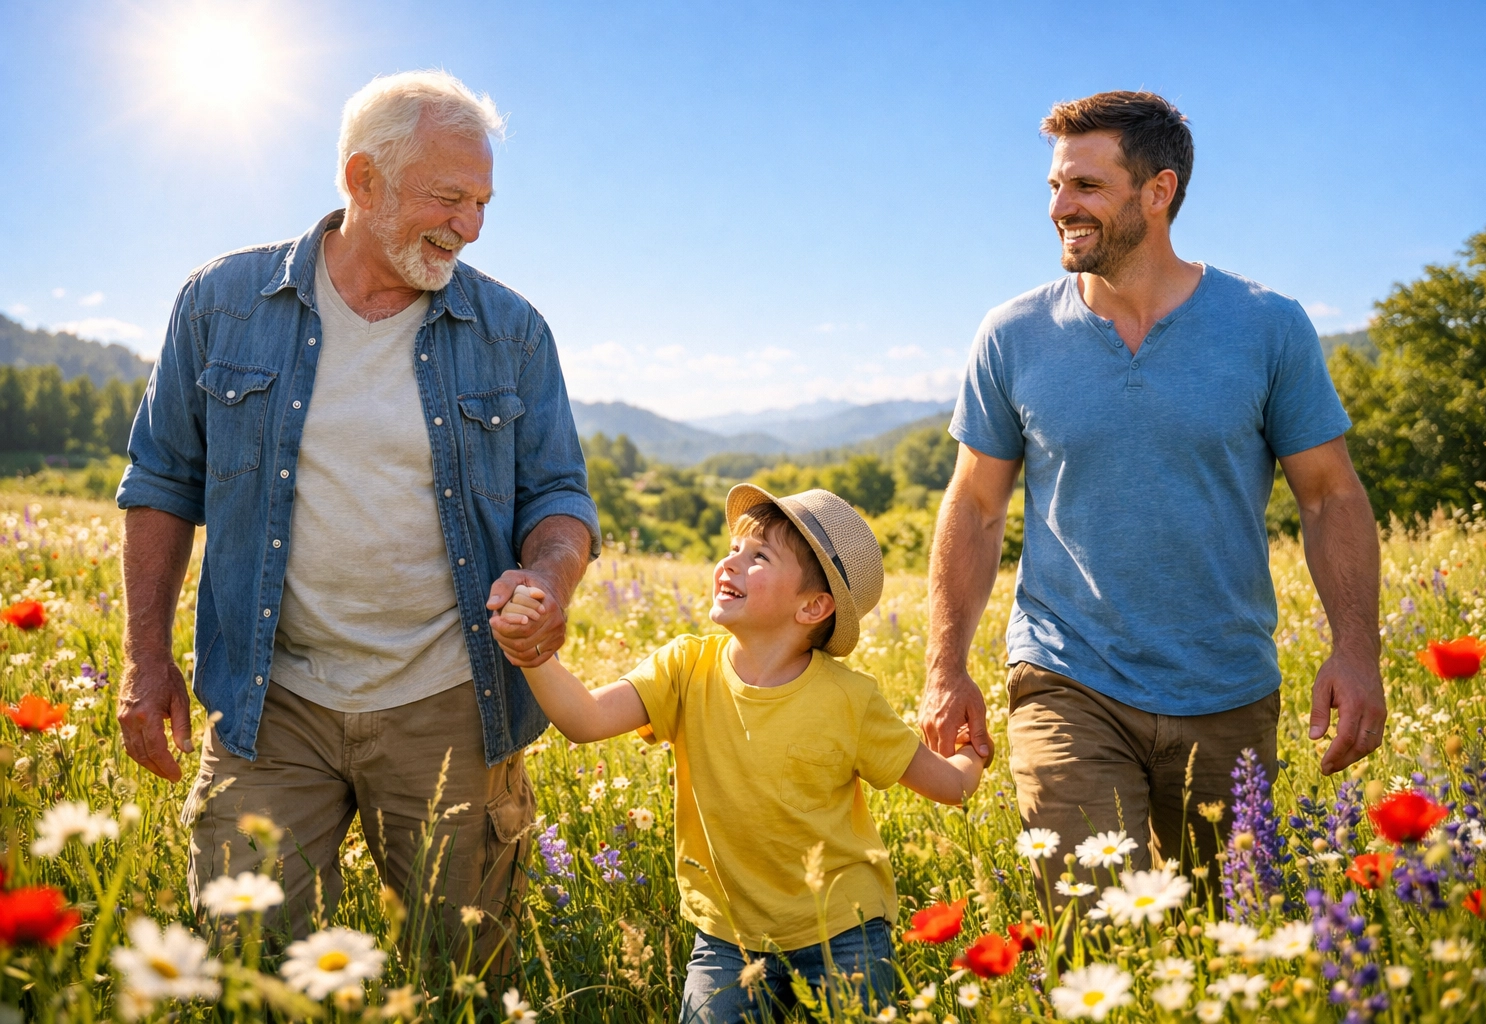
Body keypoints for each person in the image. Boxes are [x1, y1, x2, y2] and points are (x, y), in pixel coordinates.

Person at [114, 71, 600, 950]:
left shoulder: (512, 331)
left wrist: (549, 579)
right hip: (268, 702)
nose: (471, 226)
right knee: (245, 966)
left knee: (462, 977)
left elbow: (559, 497)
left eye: (483, 203)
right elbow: (161, 482)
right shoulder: (221, 304)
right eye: (448, 198)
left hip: (450, 702)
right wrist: (145, 660)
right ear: (362, 180)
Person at [920, 91, 1384, 882]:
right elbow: (976, 504)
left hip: (1227, 687)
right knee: (1096, 917)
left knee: (1222, 924)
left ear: (1158, 191)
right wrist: (945, 666)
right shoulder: (1012, 334)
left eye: (1086, 186)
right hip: (1067, 676)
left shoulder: (1267, 326)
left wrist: (1357, 649)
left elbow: (1329, 496)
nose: (1060, 207)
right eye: (1054, 186)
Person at [501, 485, 984, 1022]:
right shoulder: (685, 667)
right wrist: (532, 648)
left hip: (845, 930)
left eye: (759, 556)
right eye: (734, 548)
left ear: (813, 606)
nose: (730, 562)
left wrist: (973, 750)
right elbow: (584, 720)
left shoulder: (851, 699)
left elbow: (952, 786)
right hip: (728, 937)